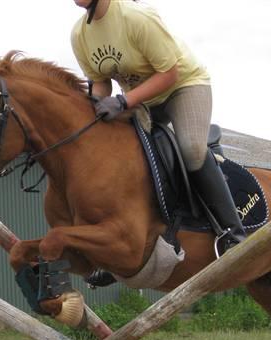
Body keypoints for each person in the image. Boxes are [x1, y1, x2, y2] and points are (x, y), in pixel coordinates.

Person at [70, 0, 246, 254]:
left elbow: (169, 73)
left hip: (183, 86)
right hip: (140, 99)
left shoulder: (136, 18)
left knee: (191, 150)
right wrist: (95, 107)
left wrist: (123, 100)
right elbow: (100, 82)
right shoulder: (79, 35)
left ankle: (233, 232)